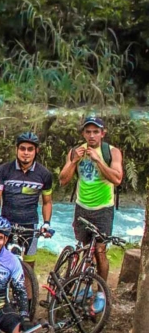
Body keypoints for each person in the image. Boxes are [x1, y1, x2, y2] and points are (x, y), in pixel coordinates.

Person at [58, 116, 123, 286]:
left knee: (100, 252)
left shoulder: (112, 152)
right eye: (88, 132)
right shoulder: (75, 151)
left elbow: (117, 179)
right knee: (83, 248)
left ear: (103, 133)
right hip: (82, 207)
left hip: (103, 209)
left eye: (96, 132)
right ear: (83, 134)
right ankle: (79, 287)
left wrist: (99, 160)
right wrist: (73, 161)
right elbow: (63, 180)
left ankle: (101, 290)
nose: (92, 135)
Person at [0, 132, 54, 270]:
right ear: (16, 150)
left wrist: (46, 223)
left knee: (28, 267)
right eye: (22, 148)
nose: (26, 153)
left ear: (36, 151)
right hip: (6, 223)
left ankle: (29, 292)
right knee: (0, 263)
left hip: (30, 225)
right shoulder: (3, 170)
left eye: (30, 149)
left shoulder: (44, 174)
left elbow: (47, 202)